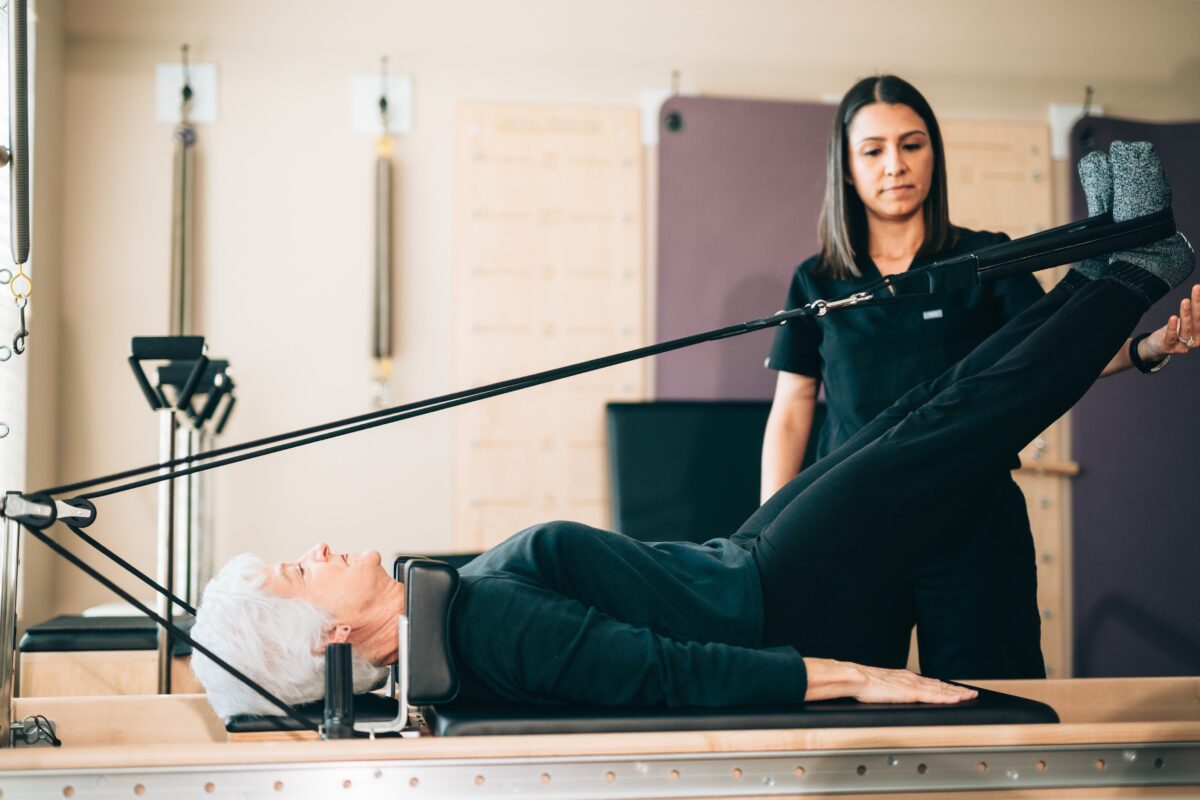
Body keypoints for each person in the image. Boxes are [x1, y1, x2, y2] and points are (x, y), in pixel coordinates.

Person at [192, 142, 1195, 718]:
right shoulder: (474, 626)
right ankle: (1136, 271)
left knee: (925, 414)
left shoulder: (443, 608)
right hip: (767, 597)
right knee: (947, 425)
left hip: (748, 563)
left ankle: (1116, 261)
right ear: (331, 633)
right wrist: (866, 680)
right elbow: (666, 672)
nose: (316, 547)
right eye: (297, 568)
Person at [761, 76, 1196, 679]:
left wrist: (1149, 347)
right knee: (845, 701)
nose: (895, 165)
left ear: (934, 154)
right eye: (874, 150)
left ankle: (1110, 267)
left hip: (971, 513)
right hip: (854, 518)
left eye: (912, 145)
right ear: (847, 167)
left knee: (994, 705)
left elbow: (1051, 355)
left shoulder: (986, 257)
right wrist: (768, 540)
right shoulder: (817, 281)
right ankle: (1116, 268)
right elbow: (791, 410)